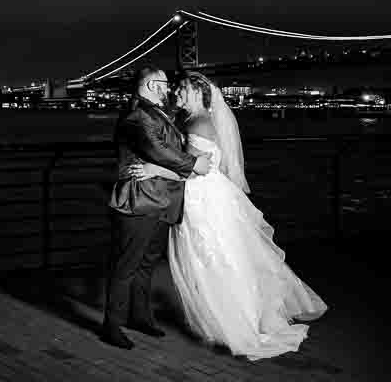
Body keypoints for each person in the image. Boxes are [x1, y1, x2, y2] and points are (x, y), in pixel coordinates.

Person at [126, 70, 328, 360]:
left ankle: (233, 324)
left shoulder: (199, 124)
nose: (175, 94)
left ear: (196, 93)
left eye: (180, 90)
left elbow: (196, 168)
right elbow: (204, 164)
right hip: (207, 196)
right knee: (216, 258)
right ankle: (226, 319)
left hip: (203, 199)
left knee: (214, 259)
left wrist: (154, 169)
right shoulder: (195, 120)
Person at [102, 66, 212, 350]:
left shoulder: (157, 111)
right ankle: (111, 326)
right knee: (126, 265)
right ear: (152, 85)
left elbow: (166, 145)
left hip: (161, 199)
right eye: (165, 84)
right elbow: (157, 149)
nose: (170, 89)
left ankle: (139, 316)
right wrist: (193, 164)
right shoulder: (138, 115)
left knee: (147, 263)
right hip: (138, 200)